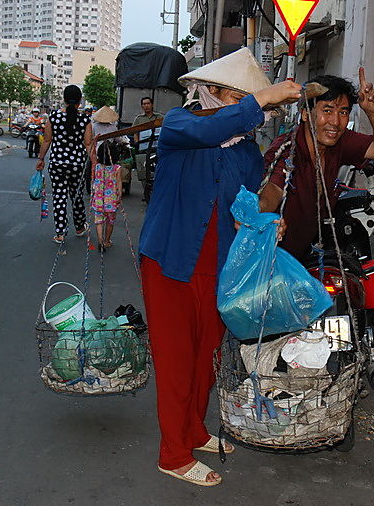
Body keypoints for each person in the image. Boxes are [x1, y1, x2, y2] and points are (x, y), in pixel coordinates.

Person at [138, 47, 301, 487]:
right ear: (211, 92)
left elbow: (243, 206)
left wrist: (269, 220)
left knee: (205, 352)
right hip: (170, 260)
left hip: (219, 265)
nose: (248, 113)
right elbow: (216, 129)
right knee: (175, 359)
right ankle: (172, 454)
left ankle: (193, 429)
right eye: (237, 99)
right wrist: (263, 99)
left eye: (248, 102)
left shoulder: (247, 153)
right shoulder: (180, 125)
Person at [259, 69, 374, 261]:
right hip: (274, 258)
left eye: (343, 112)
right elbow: (273, 189)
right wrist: (257, 211)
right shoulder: (288, 149)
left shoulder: (338, 141)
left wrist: (373, 112)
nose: (335, 122)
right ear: (306, 114)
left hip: (307, 254)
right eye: (327, 110)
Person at [36, 85, 92, 244]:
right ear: (79, 101)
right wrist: (95, 163)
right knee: (77, 196)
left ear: (64, 99)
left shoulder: (53, 117)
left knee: (59, 197)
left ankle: (60, 233)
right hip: (77, 165)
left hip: (57, 164)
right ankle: (80, 227)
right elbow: (88, 144)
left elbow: (47, 140)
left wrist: (41, 159)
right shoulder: (85, 120)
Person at [89, 106, 124, 249]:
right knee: (110, 221)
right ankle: (107, 240)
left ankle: (99, 239)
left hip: (98, 196)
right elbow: (119, 183)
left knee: (99, 220)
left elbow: (92, 147)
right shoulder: (117, 168)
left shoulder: (96, 167)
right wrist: (119, 194)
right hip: (111, 200)